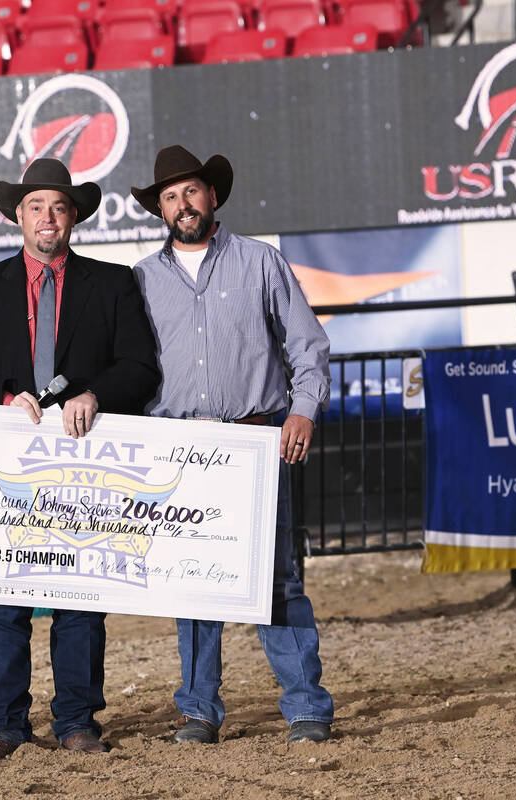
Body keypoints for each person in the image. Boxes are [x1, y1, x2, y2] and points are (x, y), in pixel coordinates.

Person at [0, 158, 160, 760]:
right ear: (18, 216)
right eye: (36, 206)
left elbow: (140, 367)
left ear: (74, 218)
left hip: (86, 464)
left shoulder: (113, 284)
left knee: (80, 600)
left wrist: (96, 394)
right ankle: (2, 725)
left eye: (59, 207)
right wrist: (5, 397)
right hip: (6, 466)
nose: (47, 217)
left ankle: (76, 722)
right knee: (1, 602)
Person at [130, 145, 336, 745]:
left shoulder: (260, 262)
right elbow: (132, 368)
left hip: (254, 441)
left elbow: (307, 344)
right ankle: (198, 710)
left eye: (190, 191)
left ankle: (305, 707)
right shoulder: (141, 280)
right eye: (169, 196)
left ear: (212, 196)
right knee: (194, 583)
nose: (181, 204)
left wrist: (302, 411)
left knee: (278, 579)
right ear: (160, 210)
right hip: (182, 448)